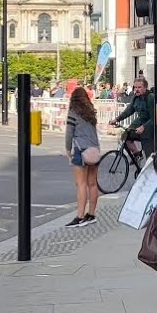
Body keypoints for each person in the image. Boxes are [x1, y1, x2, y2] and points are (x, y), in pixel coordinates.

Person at [64, 86, 100, 228]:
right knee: (92, 183)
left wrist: (68, 149)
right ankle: (91, 214)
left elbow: (69, 133)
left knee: (81, 184)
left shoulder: (73, 113)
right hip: (94, 150)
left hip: (81, 150)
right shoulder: (91, 113)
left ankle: (79, 216)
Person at [110, 76, 154, 164]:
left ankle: (151, 168)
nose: (137, 89)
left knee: (150, 156)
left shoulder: (150, 97)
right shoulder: (136, 97)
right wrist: (117, 119)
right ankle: (137, 154)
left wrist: (144, 127)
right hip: (139, 121)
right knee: (125, 136)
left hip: (150, 126)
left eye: (139, 87)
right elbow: (129, 110)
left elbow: (154, 118)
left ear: (145, 88)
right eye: (135, 87)